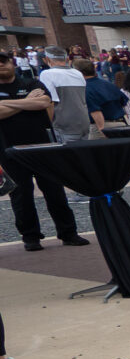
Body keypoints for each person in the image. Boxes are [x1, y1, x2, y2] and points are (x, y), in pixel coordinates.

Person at [0, 58, 86, 251]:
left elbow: (45, 102)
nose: (1, 65)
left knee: (54, 191)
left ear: (12, 64)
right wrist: (27, 101)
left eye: (4, 61)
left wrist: (10, 104)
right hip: (9, 151)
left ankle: (68, 232)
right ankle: (30, 237)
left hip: (43, 147)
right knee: (21, 195)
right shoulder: (31, 90)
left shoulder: (31, 83)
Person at [83, 57, 130, 129]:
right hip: (120, 122)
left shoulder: (87, 88)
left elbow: (95, 111)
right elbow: (124, 103)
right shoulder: (109, 84)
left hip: (103, 125)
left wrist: (101, 129)